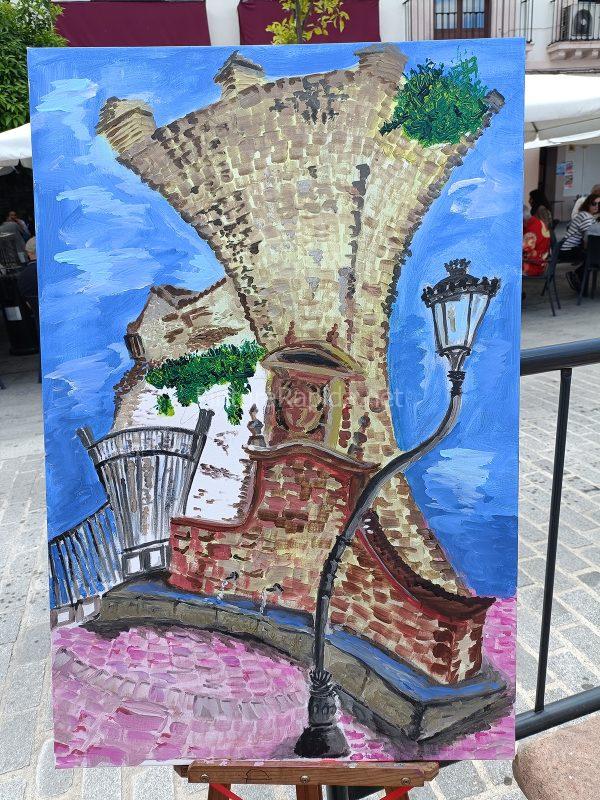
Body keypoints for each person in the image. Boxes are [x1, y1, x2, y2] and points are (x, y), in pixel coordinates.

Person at [561, 193, 600, 292]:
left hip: (567, 248)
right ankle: (577, 277)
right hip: (567, 250)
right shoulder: (586, 217)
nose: (597, 206)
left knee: (593, 257)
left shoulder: (585, 215)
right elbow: (589, 239)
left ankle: (580, 283)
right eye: (594, 204)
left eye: (599, 204)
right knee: (592, 257)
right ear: (588, 204)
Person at [523, 204, 550, 277]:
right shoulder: (537, 222)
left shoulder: (532, 229)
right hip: (541, 262)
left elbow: (525, 251)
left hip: (534, 266)